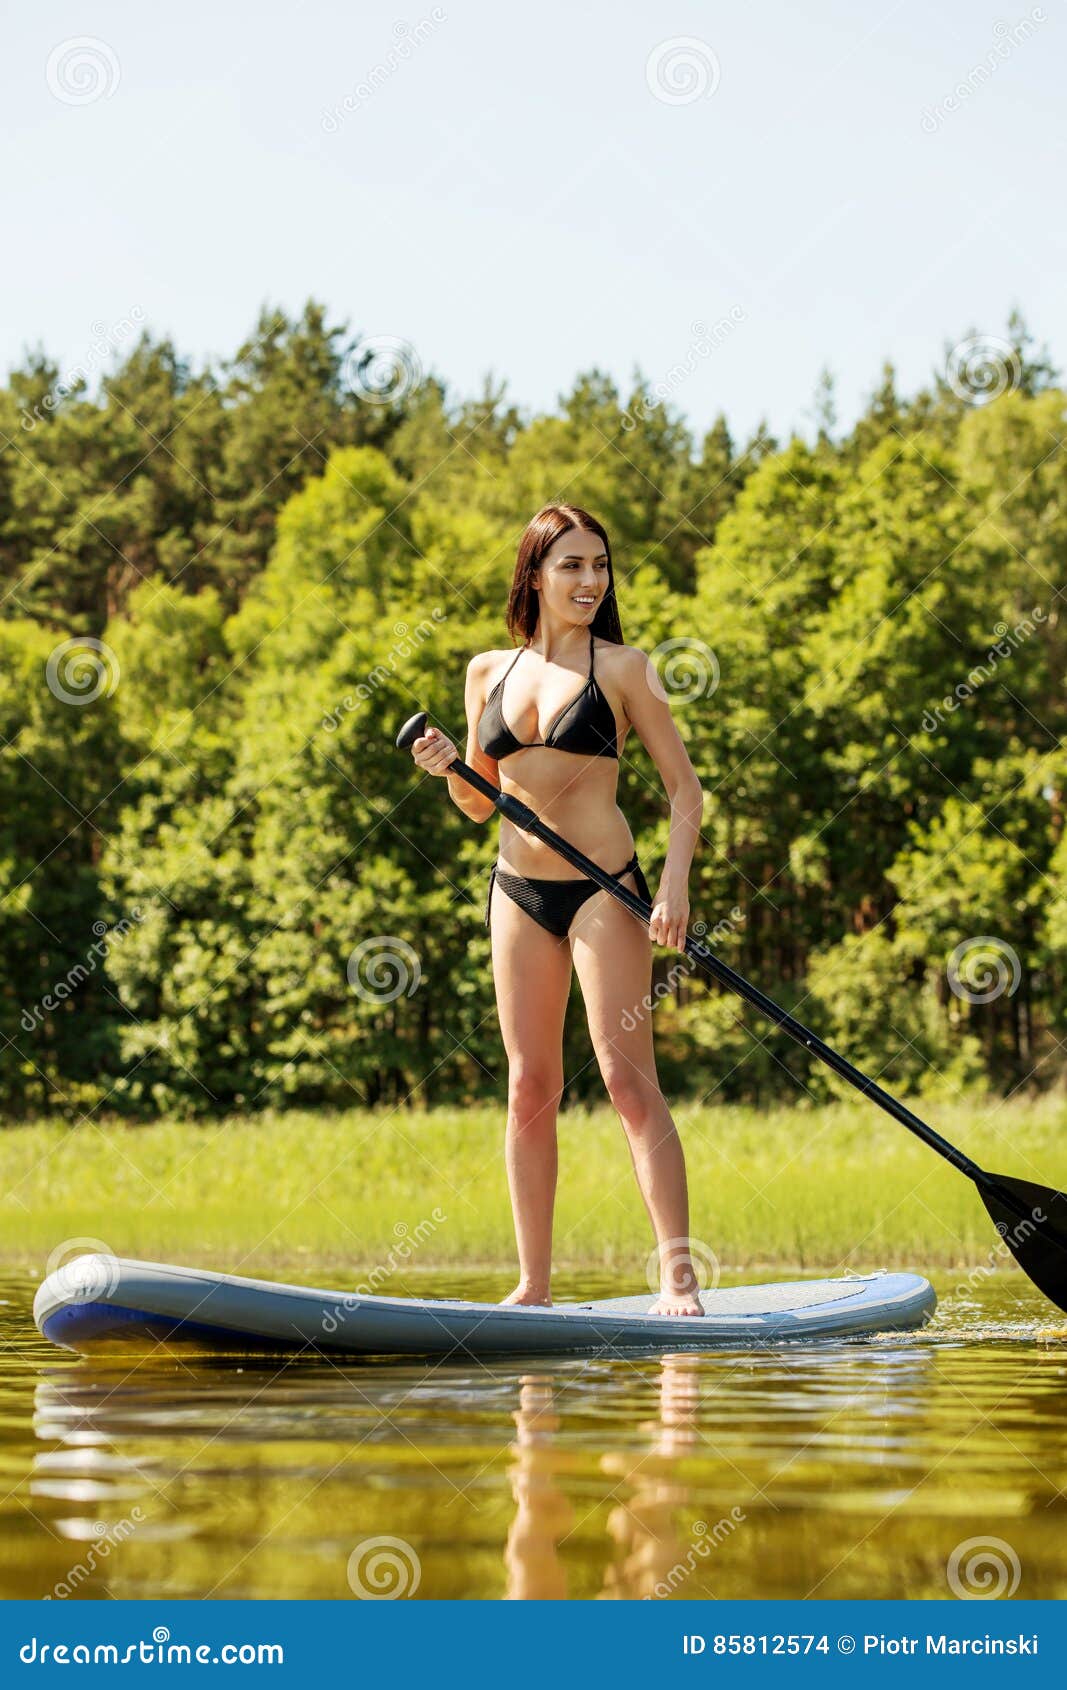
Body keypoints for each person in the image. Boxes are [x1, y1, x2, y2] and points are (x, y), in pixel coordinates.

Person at [408, 504, 706, 1315]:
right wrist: (445, 769)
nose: (589, 581)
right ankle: (533, 1287)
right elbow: (480, 805)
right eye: (571, 565)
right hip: (516, 891)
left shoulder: (623, 668)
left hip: (605, 890)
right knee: (528, 1085)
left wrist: (672, 889)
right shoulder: (485, 673)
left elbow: (684, 789)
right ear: (533, 573)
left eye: (599, 566)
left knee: (624, 1079)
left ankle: (678, 1278)